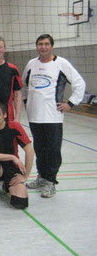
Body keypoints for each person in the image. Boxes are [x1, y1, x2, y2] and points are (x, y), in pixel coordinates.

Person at [22, 34, 86, 198]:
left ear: (52, 46)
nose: (43, 47)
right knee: (40, 149)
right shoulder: (31, 64)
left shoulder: (61, 64)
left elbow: (80, 84)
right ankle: (42, 177)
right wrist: (26, 102)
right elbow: (23, 86)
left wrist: (70, 103)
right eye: (40, 44)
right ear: (37, 47)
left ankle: (51, 181)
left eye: (46, 44)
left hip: (53, 117)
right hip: (34, 117)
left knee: (52, 150)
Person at [0, 102, 34, 209]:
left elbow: (30, 151)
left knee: (20, 203)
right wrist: (12, 157)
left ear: (5, 115)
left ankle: (7, 186)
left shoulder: (14, 127)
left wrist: (25, 176)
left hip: (11, 168)